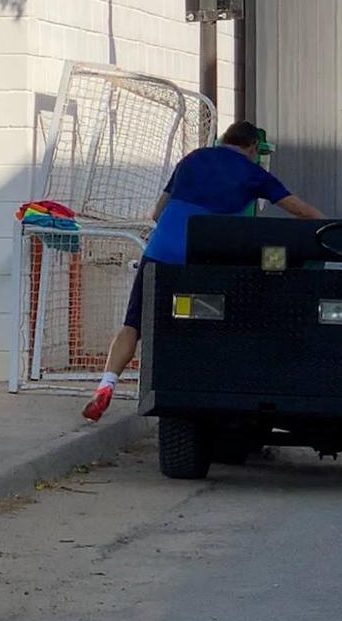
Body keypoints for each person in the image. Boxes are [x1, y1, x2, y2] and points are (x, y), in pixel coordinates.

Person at [82, 120, 326, 422]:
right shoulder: (254, 173)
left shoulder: (192, 159)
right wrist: (327, 231)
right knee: (216, 322)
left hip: (161, 251)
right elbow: (303, 211)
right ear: (252, 148)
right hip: (203, 257)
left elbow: (157, 212)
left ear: (224, 139)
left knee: (133, 324)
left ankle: (106, 384)